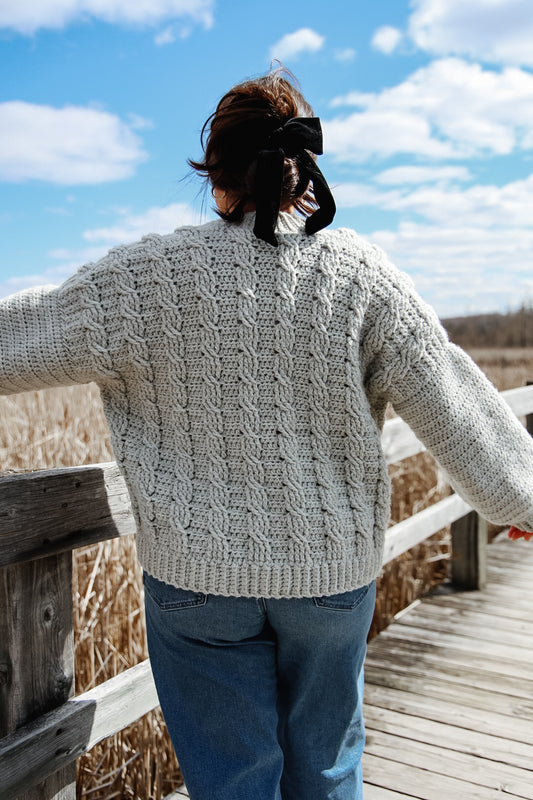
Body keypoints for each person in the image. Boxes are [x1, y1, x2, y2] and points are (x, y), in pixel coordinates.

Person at [1, 66, 532, 800]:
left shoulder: (139, 281)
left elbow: (12, 340)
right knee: (326, 767)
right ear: (301, 171)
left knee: (232, 784)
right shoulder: (361, 276)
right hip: (329, 579)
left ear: (215, 175)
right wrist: (520, 498)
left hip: (196, 580)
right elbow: (449, 396)